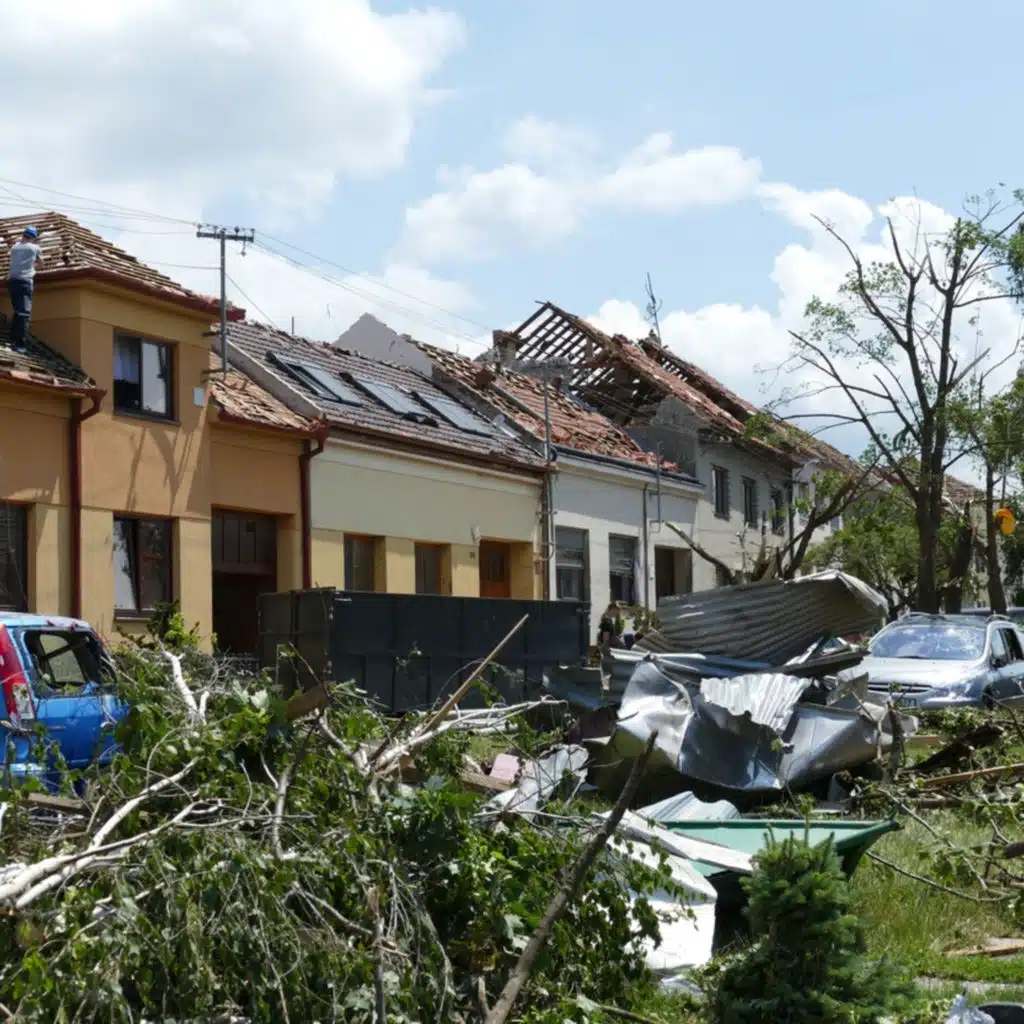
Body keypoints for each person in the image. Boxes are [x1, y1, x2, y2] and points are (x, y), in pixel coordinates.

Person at [5, 226, 43, 352]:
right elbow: (42, 264)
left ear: (24, 235)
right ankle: (20, 344)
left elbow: (12, 251)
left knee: (18, 312)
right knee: (24, 313)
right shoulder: (35, 248)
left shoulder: (14, 247)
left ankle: (12, 341)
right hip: (24, 282)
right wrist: (34, 265)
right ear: (34, 238)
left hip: (12, 281)